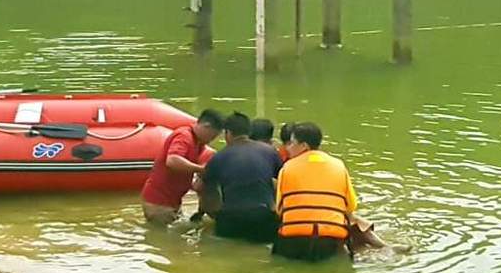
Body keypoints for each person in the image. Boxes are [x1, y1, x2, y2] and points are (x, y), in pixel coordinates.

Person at [273, 121, 369, 262]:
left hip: (294, 241)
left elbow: (280, 209)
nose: (288, 148)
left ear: (304, 146)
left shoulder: (287, 168)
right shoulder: (338, 165)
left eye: (292, 143)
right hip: (329, 241)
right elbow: (351, 206)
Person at [206, 111, 284, 243]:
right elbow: (284, 181)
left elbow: (207, 191)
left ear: (228, 133)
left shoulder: (218, 157)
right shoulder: (270, 152)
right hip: (263, 216)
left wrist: (214, 215)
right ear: (248, 131)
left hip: (231, 218)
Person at [139, 107, 223, 224]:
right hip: (159, 202)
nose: (211, 141)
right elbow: (172, 160)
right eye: (212, 136)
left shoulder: (198, 143)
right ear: (206, 126)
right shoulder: (184, 137)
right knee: (162, 239)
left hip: (172, 201)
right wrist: (201, 169)